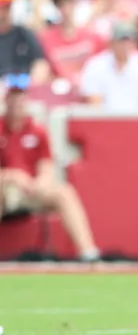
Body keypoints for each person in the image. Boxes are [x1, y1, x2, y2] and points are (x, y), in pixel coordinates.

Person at [0, 73, 99, 262]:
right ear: (7, 100)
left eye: (21, 98)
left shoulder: (38, 131)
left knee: (64, 193)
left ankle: (88, 253)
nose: (17, 103)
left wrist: (40, 183)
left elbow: (46, 165)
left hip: (30, 190)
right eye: (13, 97)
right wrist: (12, 176)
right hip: (5, 189)